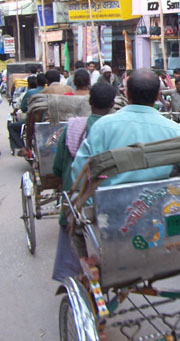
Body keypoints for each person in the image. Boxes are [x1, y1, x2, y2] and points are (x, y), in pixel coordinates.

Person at [71, 69, 180, 188]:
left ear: (127, 94)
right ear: (156, 96)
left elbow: (80, 173)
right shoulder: (175, 131)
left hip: (109, 210)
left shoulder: (102, 127)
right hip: (158, 206)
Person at [52, 83, 117, 282]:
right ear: (113, 103)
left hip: (81, 201)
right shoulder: (118, 129)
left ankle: (72, 274)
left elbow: (57, 168)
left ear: (90, 102)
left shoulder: (72, 128)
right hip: (114, 203)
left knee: (71, 218)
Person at [8, 74, 44, 156]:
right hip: (47, 119)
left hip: (32, 121)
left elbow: (23, 108)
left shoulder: (30, 92)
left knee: (11, 127)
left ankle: (23, 149)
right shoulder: (48, 91)